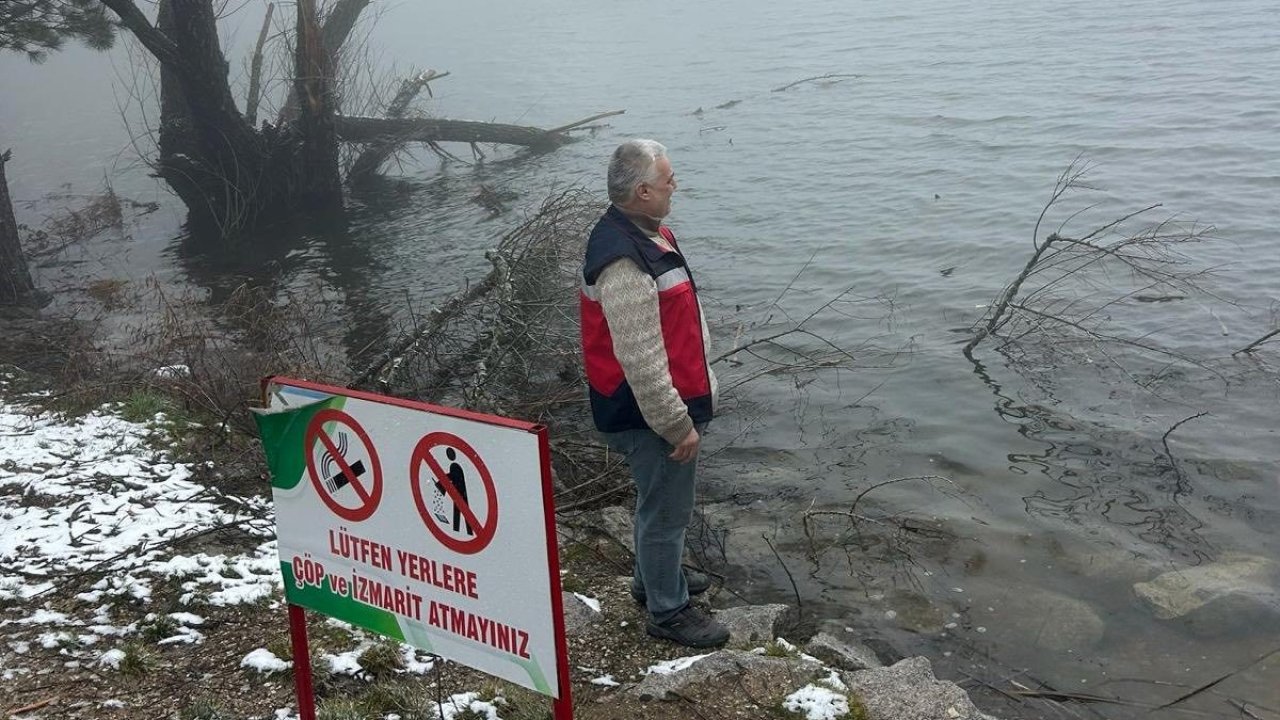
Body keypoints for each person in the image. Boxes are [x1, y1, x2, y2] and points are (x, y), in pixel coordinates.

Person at [579, 139, 728, 648]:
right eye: (668, 180)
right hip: (648, 413)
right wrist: (676, 425)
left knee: (659, 501)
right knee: (666, 511)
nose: (675, 187)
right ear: (643, 191)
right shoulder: (623, 259)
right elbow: (640, 359)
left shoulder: (648, 233)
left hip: (664, 401)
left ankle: (653, 580)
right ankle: (668, 611)